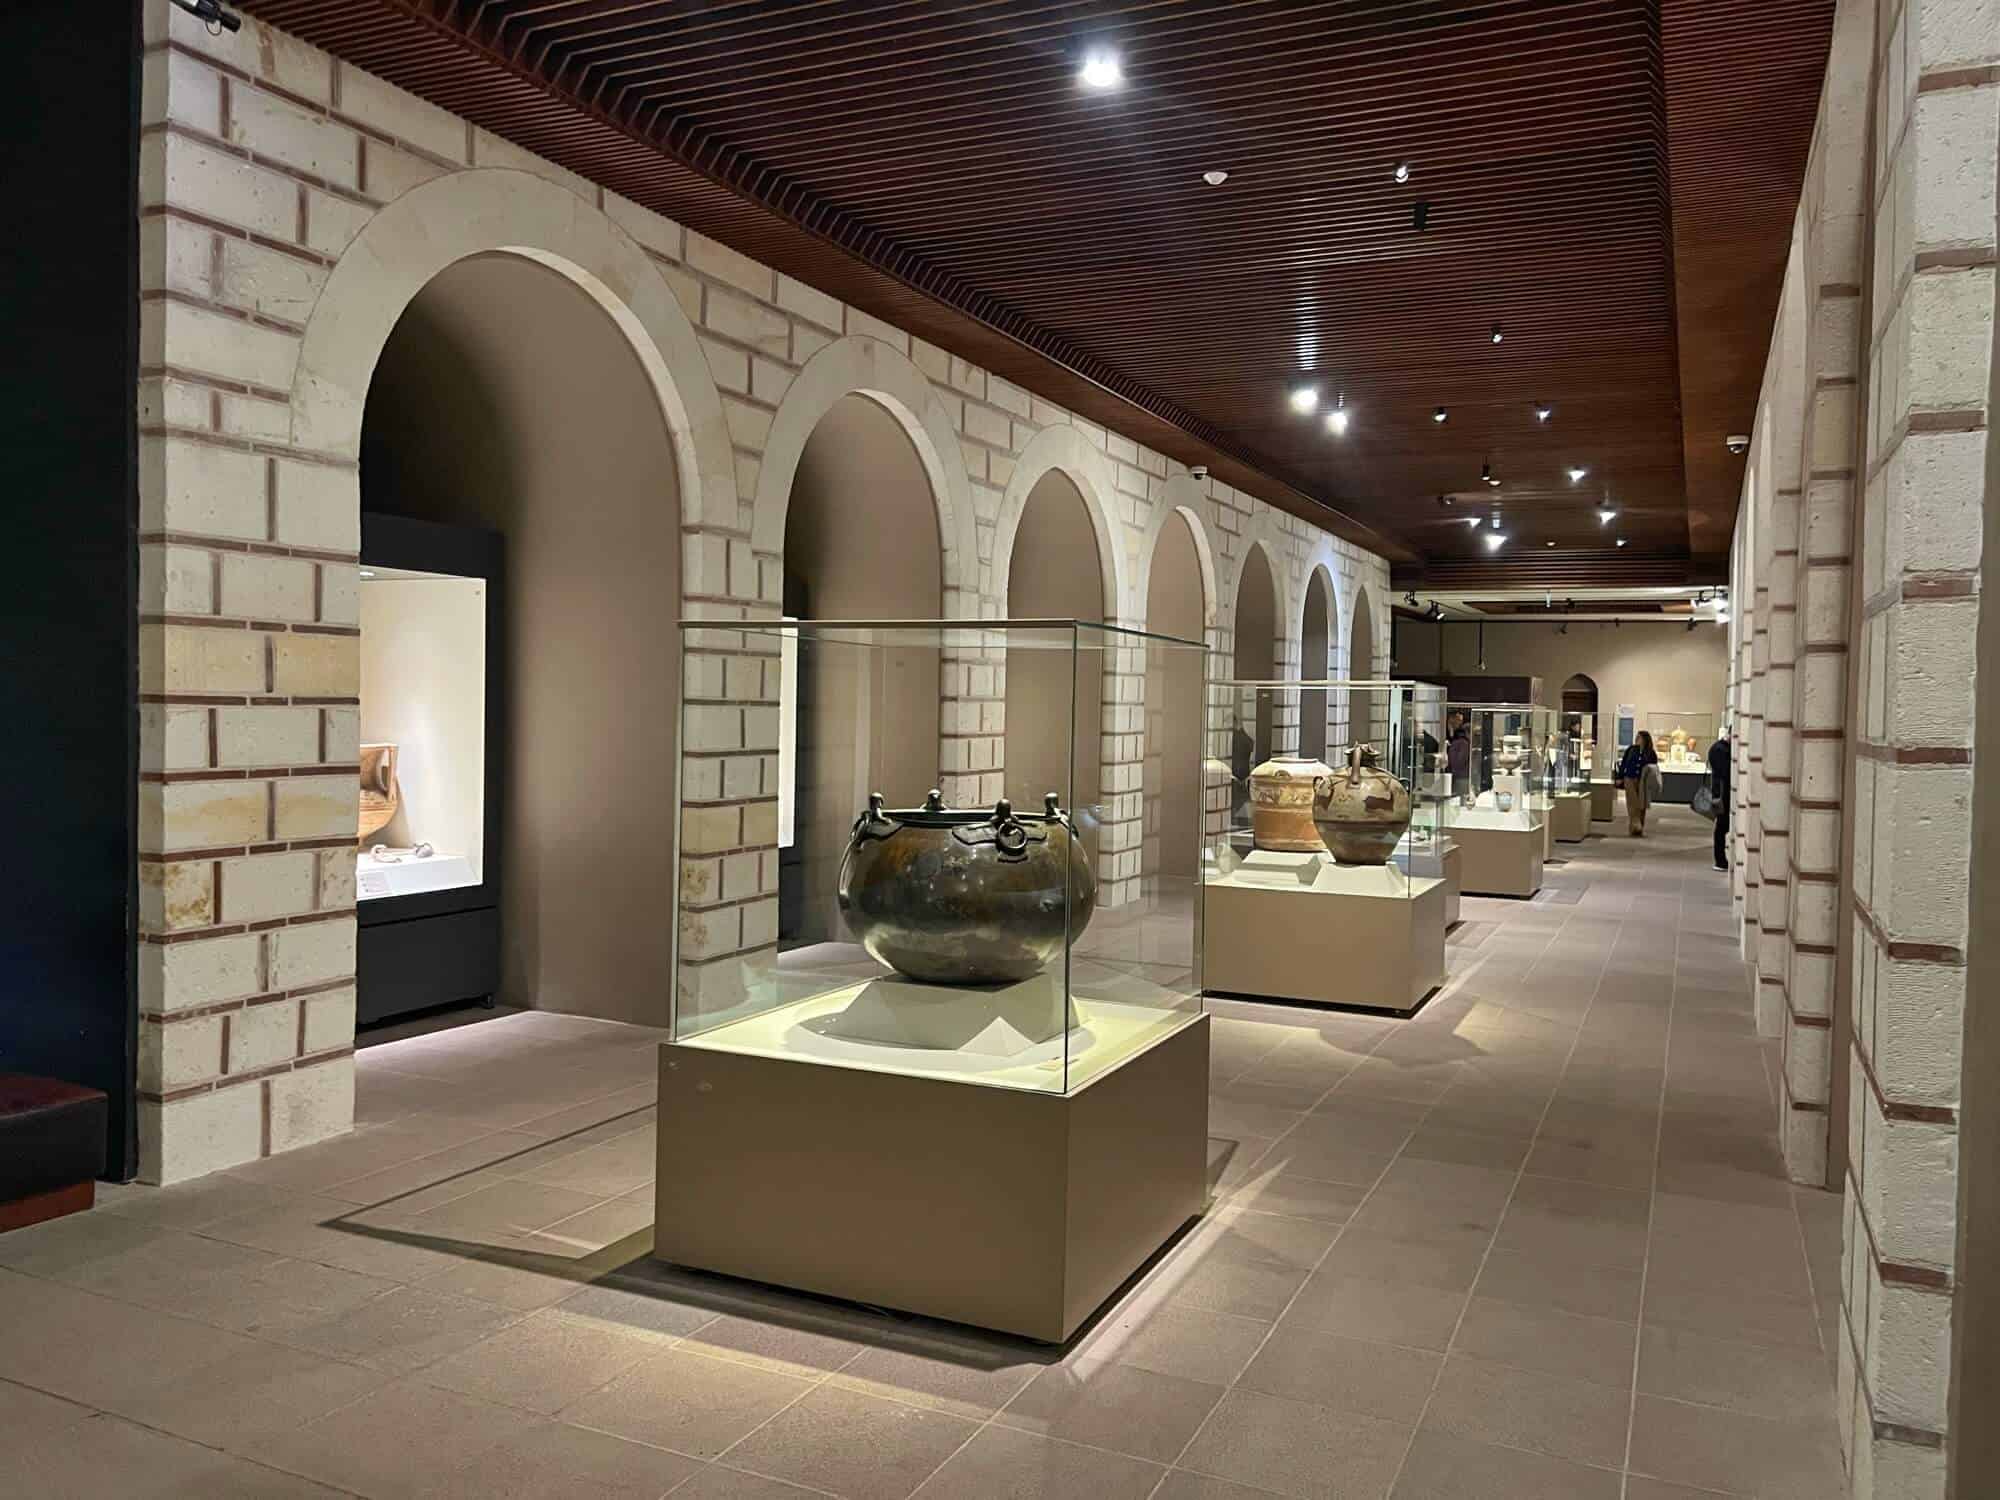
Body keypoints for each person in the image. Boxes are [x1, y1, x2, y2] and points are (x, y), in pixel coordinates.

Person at [1615, 730, 1658, 836]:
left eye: (1639, 737)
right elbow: (1624, 763)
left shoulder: (1651, 752)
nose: (1637, 739)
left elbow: (1654, 767)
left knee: (1641, 804)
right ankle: (1636, 824)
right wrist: (1620, 777)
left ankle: (1637, 828)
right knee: (1632, 803)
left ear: (1645, 739)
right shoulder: (1631, 749)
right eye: (1636, 737)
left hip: (1643, 781)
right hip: (1629, 778)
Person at [1708, 727, 1732, 870]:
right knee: (1722, 827)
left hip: (1723, 793)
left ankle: (1721, 860)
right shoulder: (1720, 749)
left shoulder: (1720, 748)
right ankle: (1720, 860)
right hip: (1722, 795)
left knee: (1722, 827)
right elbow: (1725, 773)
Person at [1446, 718, 1472, 800]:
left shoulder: (1456, 742)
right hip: (1462, 778)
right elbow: (1459, 762)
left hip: (1457, 777)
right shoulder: (1464, 744)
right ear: (1468, 733)